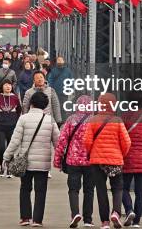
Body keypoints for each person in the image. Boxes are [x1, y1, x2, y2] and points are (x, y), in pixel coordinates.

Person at [3, 92, 60, 227]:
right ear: (45, 105)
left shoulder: (23, 119)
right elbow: (58, 142)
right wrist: (62, 158)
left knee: (25, 188)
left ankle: (25, 217)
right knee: (41, 191)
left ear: (31, 103)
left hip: (26, 161)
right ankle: (37, 220)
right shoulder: (50, 120)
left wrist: (6, 156)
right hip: (43, 162)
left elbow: (15, 140)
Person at [84, 93, 131, 229]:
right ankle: (116, 212)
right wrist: (121, 154)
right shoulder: (117, 120)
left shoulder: (93, 120)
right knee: (117, 187)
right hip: (115, 159)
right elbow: (127, 142)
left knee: (101, 190)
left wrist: (90, 153)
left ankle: (105, 222)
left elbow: (87, 141)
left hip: (97, 161)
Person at [53, 95, 95, 228]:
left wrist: (57, 160)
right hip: (90, 162)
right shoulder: (94, 121)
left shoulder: (71, 120)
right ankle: (88, 220)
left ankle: (75, 214)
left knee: (73, 189)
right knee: (89, 190)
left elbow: (62, 141)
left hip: (73, 161)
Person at [0, 79, 22, 177]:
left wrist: (14, 120)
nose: (8, 86)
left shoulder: (15, 98)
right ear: (2, 87)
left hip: (12, 127)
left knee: (10, 148)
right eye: (6, 85)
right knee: (1, 148)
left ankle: (9, 168)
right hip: (0, 127)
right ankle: (2, 166)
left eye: (10, 85)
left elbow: (19, 110)